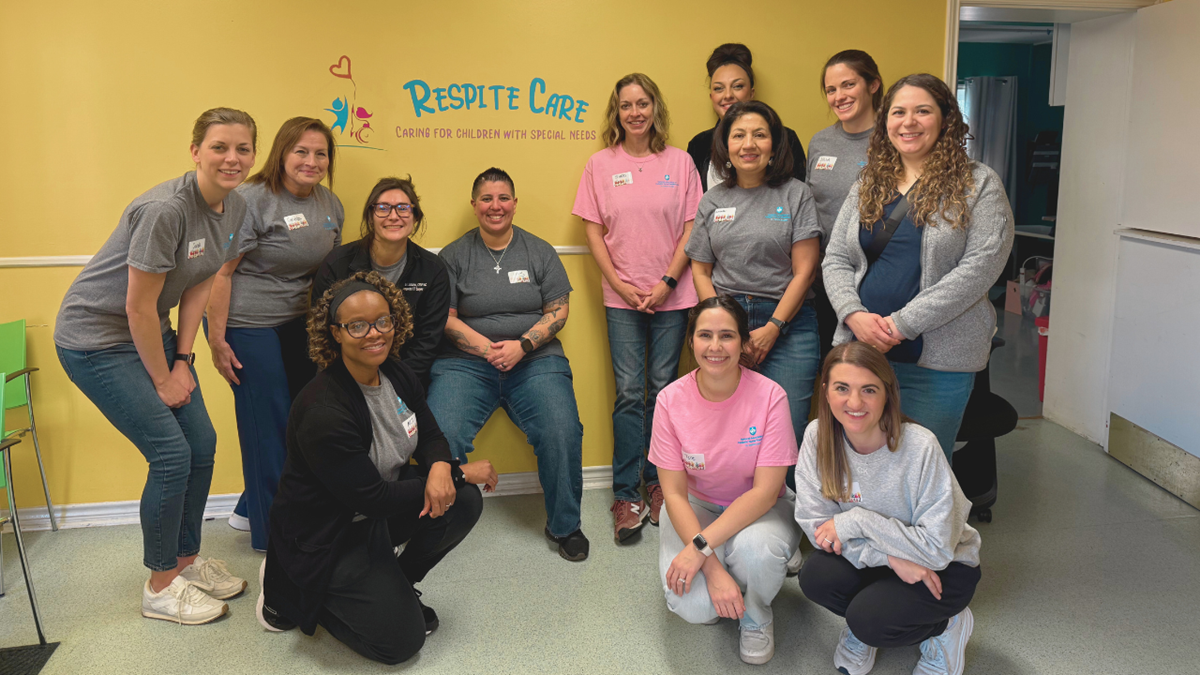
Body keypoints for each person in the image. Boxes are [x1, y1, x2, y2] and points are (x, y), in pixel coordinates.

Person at [54, 107, 257, 624]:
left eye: (243, 148)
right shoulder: (165, 209)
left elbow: (199, 282)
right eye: (219, 147)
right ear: (196, 151)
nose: (232, 158)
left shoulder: (235, 207)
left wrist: (184, 359)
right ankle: (160, 587)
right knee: (170, 454)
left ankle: (185, 561)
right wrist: (164, 378)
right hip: (96, 340)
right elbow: (138, 307)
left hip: (152, 335)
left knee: (201, 444)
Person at [259, 271, 496, 665]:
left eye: (382, 321)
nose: (374, 334)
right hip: (329, 534)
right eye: (358, 326)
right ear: (335, 333)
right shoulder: (324, 410)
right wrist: (457, 472)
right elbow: (373, 497)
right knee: (402, 644)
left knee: (464, 501)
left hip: (375, 516)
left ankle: (398, 584)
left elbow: (431, 434)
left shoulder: (396, 372)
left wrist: (441, 466)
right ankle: (301, 591)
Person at [822, 73, 1015, 463]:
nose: (908, 122)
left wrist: (900, 325)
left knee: (921, 468)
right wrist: (852, 314)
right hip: (861, 353)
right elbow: (837, 258)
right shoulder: (869, 182)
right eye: (898, 112)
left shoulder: (978, 184)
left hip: (938, 364)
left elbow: (979, 268)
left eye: (922, 111)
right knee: (857, 462)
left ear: (945, 119)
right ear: (886, 122)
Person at [426, 168, 588, 561]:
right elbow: (445, 318)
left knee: (562, 428)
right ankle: (437, 524)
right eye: (486, 199)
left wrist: (522, 345)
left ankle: (565, 526)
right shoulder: (453, 256)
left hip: (535, 359)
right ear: (474, 205)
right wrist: (488, 350)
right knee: (441, 432)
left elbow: (559, 310)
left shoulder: (539, 251)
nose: (495, 206)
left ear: (514, 203)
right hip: (465, 363)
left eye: (502, 198)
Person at [794, 341, 981, 675]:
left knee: (870, 620)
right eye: (842, 388)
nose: (854, 403)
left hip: (944, 567)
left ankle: (946, 626)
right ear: (825, 392)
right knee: (816, 578)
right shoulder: (818, 436)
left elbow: (937, 549)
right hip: (886, 556)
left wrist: (858, 521)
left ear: (887, 393)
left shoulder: (920, 446)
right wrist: (888, 559)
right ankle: (867, 620)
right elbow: (818, 527)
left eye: (868, 390)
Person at [572, 73, 702, 543]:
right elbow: (592, 231)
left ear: (655, 108)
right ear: (617, 112)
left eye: (642, 103)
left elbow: (692, 227)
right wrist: (619, 285)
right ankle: (626, 494)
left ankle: (659, 485)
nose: (635, 112)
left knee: (663, 391)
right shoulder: (600, 164)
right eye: (626, 105)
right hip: (622, 298)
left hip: (674, 295)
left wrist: (667, 282)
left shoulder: (681, 162)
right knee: (630, 394)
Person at [204, 117, 344, 551]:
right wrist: (217, 341)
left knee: (303, 419)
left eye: (320, 153)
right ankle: (275, 538)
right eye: (301, 151)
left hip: (297, 322)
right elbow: (219, 274)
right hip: (246, 322)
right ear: (282, 153)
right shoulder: (251, 200)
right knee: (268, 422)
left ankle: (251, 508)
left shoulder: (329, 203)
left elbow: (330, 272)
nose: (311, 161)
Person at [650, 296, 801, 666]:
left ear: (743, 342)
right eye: (705, 335)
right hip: (696, 507)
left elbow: (765, 492)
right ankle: (734, 574)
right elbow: (674, 494)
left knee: (758, 553)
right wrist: (712, 567)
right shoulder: (670, 401)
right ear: (691, 341)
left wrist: (699, 549)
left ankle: (757, 614)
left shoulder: (770, 396)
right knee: (693, 606)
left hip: (760, 508)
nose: (715, 346)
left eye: (727, 336)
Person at [686, 99, 822, 447]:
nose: (749, 144)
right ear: (726, 146)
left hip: (788, 324)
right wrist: (723, 325)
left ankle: (783, 489)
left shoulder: (797, 194)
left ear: (774, 146)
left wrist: (773, 328)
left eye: (759, 135)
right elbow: (700, 270)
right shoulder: (712, 200)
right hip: (726, 324)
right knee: (730, 430)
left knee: (785, 432)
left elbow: (805, 271)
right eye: (739, 136)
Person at [312, 176, 451, 387]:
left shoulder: (433, 270)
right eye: (383, 208)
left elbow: (427, 344)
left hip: (405, 377)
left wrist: (392, 387)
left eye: (403, 208)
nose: (393, 216)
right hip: (344, 377)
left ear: (415, 217)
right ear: (370, 216)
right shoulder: (337, 263)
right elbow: (321, 332)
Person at [807, 50, 884, 360]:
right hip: (824, 278)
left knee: (871, 370)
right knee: (832, 367)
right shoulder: (820, 142)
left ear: (873, 85)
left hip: (874, 277)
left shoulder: (893, 140)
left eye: (848, 85)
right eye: (831, 89)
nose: (839, 96)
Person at [686, 43, 808, 192]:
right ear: (712, 97)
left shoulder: (785, 137)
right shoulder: (699, 144)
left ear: (751, 93)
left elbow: (798, 194)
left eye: (737, 86)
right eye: (719, 88)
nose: (728, 95)